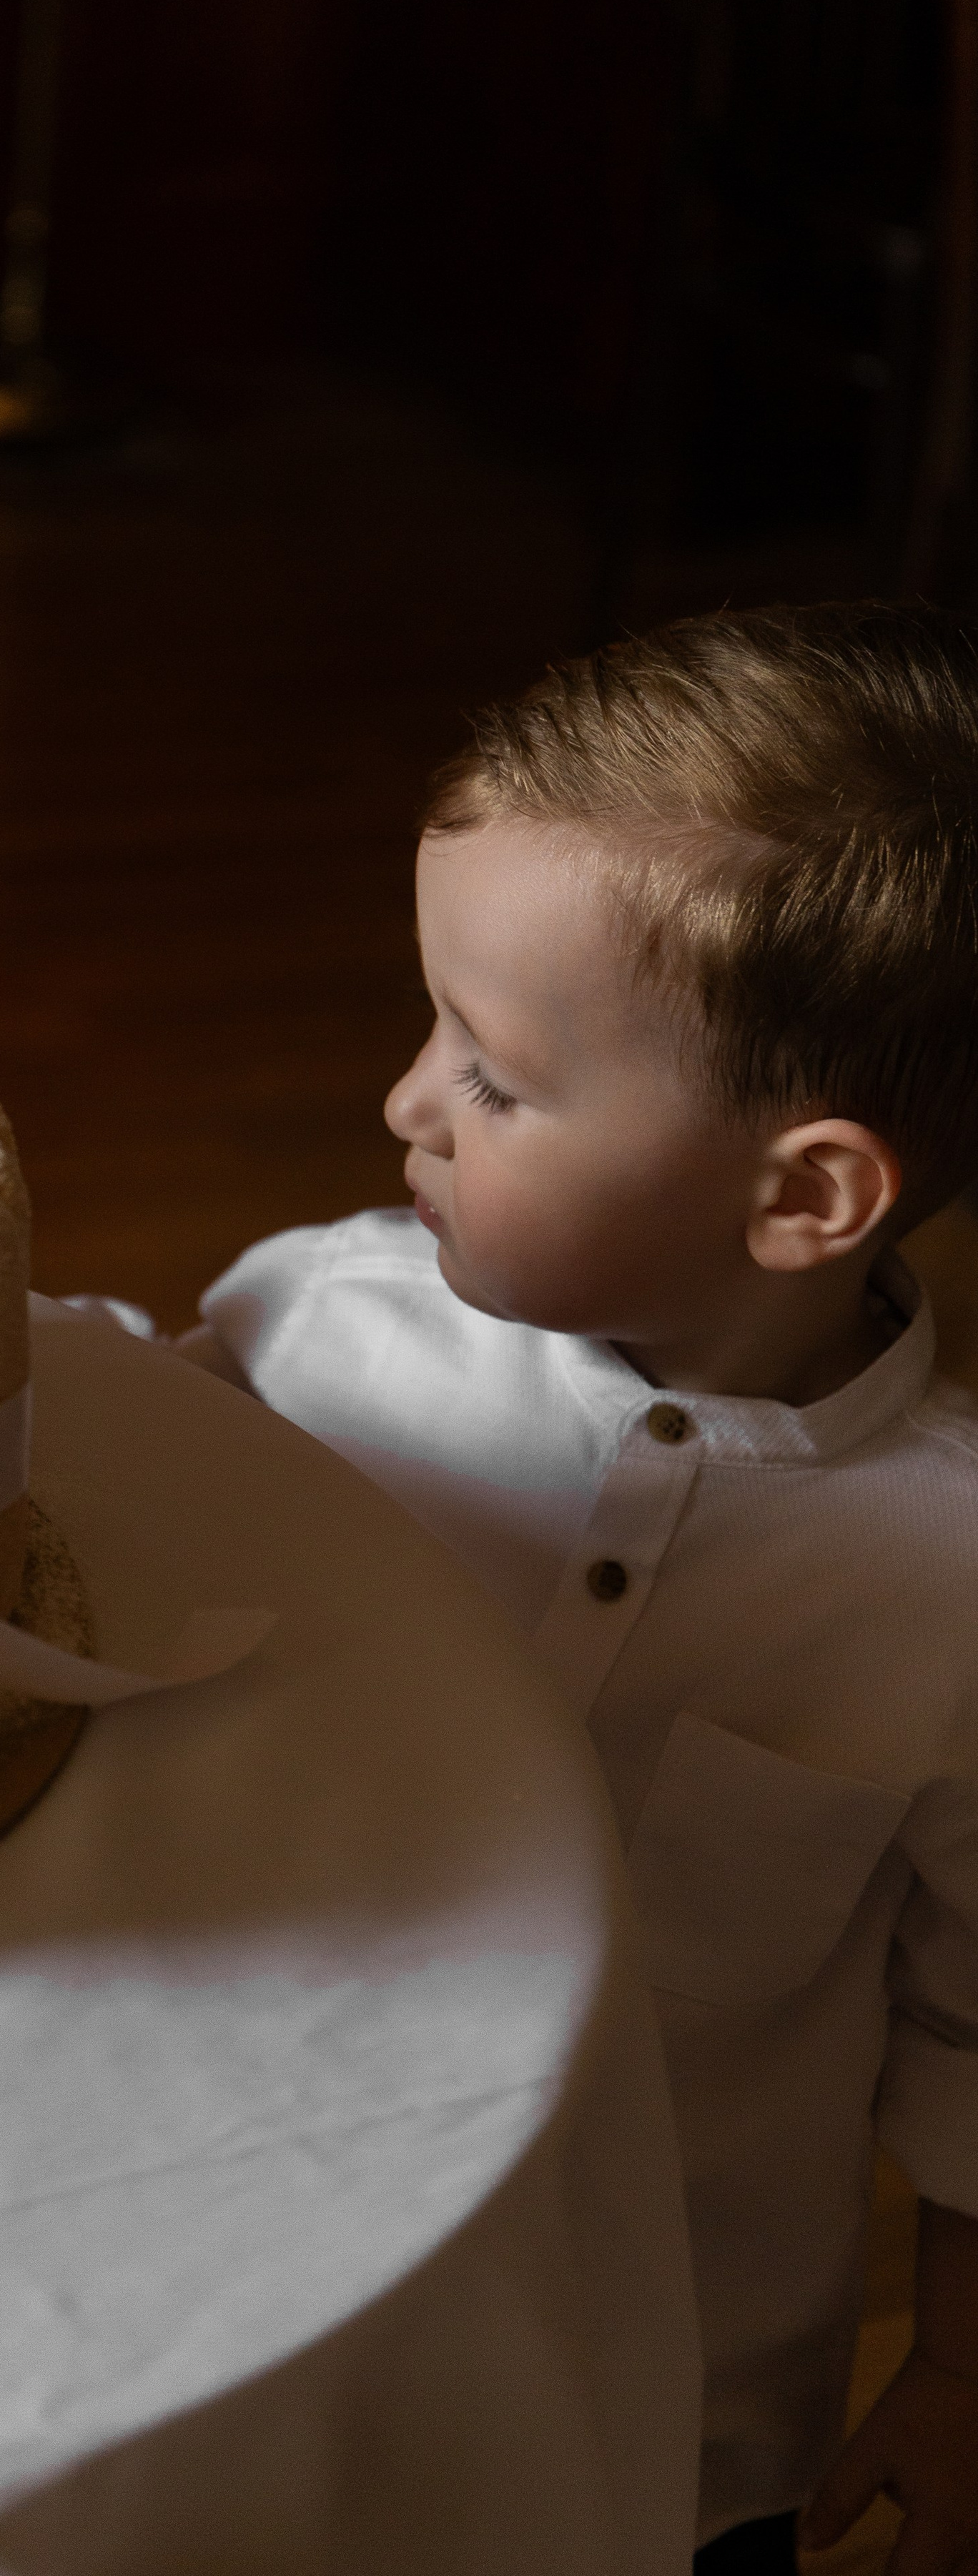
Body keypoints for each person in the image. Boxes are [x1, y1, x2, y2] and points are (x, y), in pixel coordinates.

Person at [179, 605, 978, 2571]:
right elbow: (103, 1500)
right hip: (244, 2289)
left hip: (668, 2409)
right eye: (433, 1025)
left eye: (497, 1078)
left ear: (803, 1199)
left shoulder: (952, 1585)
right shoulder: (310, 1325)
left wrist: (962, 2373)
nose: (406, 1102)